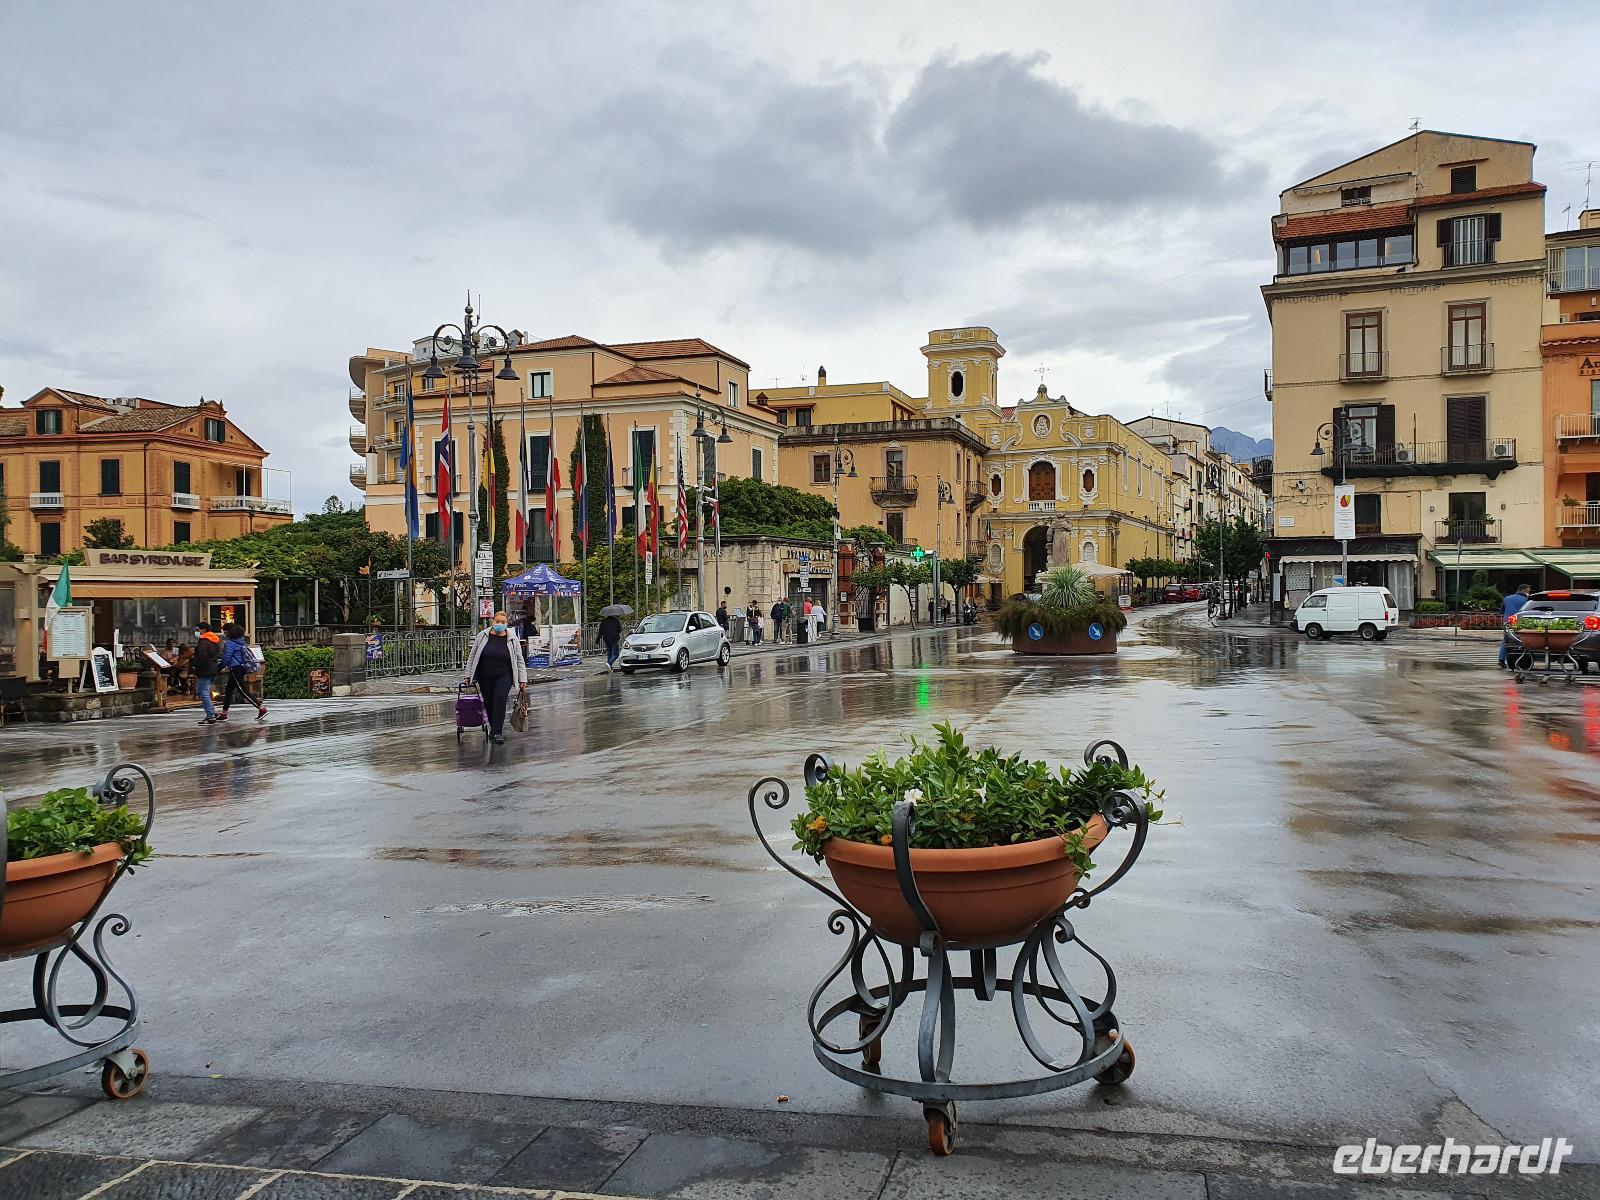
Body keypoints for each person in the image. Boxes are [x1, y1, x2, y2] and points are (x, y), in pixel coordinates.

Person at [465, 610, 527, 743]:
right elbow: (472, 656)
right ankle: (493, 729)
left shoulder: (512, 638)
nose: (499, 624)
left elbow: (519, 659)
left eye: (502, 622)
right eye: (497, 621)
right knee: (488, 703)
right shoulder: (482, 635)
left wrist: (522, 679)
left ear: (507, 623)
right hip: (485, 676)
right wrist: (468, 675)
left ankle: (497, 732)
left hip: (504, 676)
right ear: (492, 622)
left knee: (500, 701)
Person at [218, 623, 266, 722]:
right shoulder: (241, 641)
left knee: (242, 690)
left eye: (225, 631)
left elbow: (226, 658)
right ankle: (224, 713)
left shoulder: (230, 643)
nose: (224, 633)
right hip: (241, 667)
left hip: (235, 668)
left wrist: (219, 667)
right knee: (229, 690)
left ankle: (261, 708)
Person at [191, 622, 223, 725]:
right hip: (213, 667)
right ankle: (213, 712)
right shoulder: (215, 640)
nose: (197, 632)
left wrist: (195, 665)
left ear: (203, 629)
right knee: (206, 691)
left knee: (203, 692)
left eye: (198, 630)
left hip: (204, 669)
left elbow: (201, 656)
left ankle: (210, 716)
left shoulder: (204, 641)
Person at [1499, 583, 1532, 668]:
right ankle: (1523, 659)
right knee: (1523, 640)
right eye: (1528, 591)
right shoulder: (1527, 600)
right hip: (1521, 622)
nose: (1529, 593)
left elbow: (1502, 610)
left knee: (1507, 640)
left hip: (1508, 622)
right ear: (1524, 591)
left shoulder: (1507, 598)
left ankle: (1501, 659)